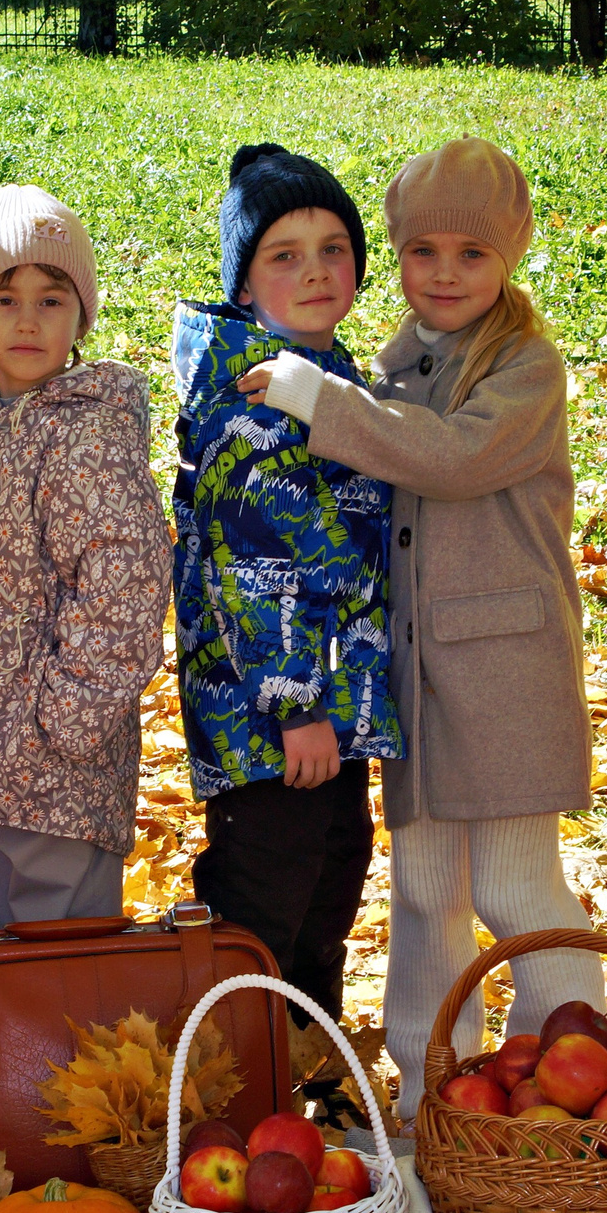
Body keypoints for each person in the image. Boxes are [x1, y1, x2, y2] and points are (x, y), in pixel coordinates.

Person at [238, 136, 604, 1121]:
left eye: (470, 254)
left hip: (504, 673)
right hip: (418, 677)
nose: (443, 274)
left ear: (510, 257)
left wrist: (323, 402)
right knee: (425, 887)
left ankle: (562, 1080)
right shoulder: (401, 363)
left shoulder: (525, 370)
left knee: (517, 891)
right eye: (422, 251)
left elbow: (448, 458)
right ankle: (427, 1087)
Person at [171, 143, 402, 1028]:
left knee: (333, 879)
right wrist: (295, 701)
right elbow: (250, 569)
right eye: (284, 254)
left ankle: (310, 1061)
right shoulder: (258, 404)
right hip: (271, 719)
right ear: (243, 284)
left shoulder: (330, 380)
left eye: (333, 248)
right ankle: (232, 1079)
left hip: (328, 712)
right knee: (265, 902)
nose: (315, 271)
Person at [0, 186, 170, 930]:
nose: (27, 319)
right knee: (11, 947)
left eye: (52, 300)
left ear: (82, 315)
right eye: (5, 298)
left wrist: (71, 714)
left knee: (65, 958)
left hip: (57, 766)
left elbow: (128, 577)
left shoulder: (85, 434)